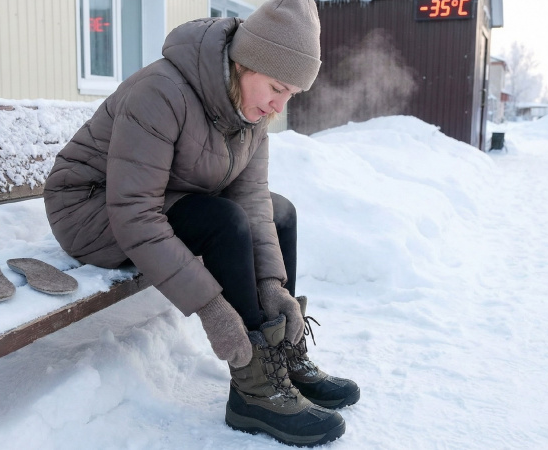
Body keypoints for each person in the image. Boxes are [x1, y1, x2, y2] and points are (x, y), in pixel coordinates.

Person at [43, 0, 359, 446]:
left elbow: (252, 198)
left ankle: (279, 353)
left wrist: (272, 285)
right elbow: (134, 211)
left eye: (291, 94)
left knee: (279, 209)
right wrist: (214, 310)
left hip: (155, 198)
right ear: (245, 64)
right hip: (91, 210)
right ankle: (253, 387)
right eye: (276, 87)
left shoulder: (251, 112)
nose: (278, 105)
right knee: (223, 221)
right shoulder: (162, 91)